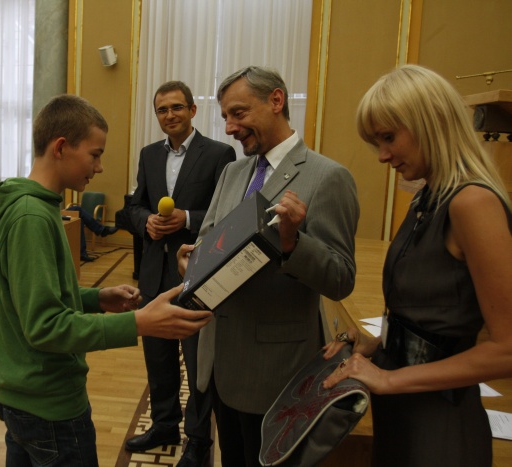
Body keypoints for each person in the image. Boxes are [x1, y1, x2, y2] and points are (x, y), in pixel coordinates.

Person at [0, 94, 213, 467]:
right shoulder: (32, 217)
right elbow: (45, 326)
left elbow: (34, 297)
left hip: (27, 397)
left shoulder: (34, 207)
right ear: (61, 148)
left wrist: (96, 299)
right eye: (95, 154)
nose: (100, 167)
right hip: (49, 404)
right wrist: (139, 322)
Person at [322, 65, 512, 467]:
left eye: (389, 137)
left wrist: (389, 378)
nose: (382, 155)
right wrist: (378, 343)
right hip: (404, 411)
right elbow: (433, 318)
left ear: (432, 122)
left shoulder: (472, 202)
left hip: (440, 425)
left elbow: (507, 350)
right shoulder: (427, 198)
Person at [177, 66, 359, 466]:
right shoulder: (232, 172)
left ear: (276, 100)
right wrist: (190, 259)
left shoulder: (328, 177)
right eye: (225, 116)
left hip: (275, 373)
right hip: (219, 364)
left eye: (238, 113)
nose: (229, 128)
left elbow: (341, 278)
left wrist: (293, 244)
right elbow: (209, 236)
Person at [126, 80, 235, 466]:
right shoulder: (148, 155)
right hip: (155, 274)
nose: (169, 115)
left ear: (192, 110)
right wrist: (146, 222)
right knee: (158, 359)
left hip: (196, 272)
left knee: (197, 362)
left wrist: (187, 219)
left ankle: (198, 440)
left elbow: (229, 216)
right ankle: (164, 425)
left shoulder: (220, 153)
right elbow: (134, 206)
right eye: (162, 109)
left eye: (176, 107)